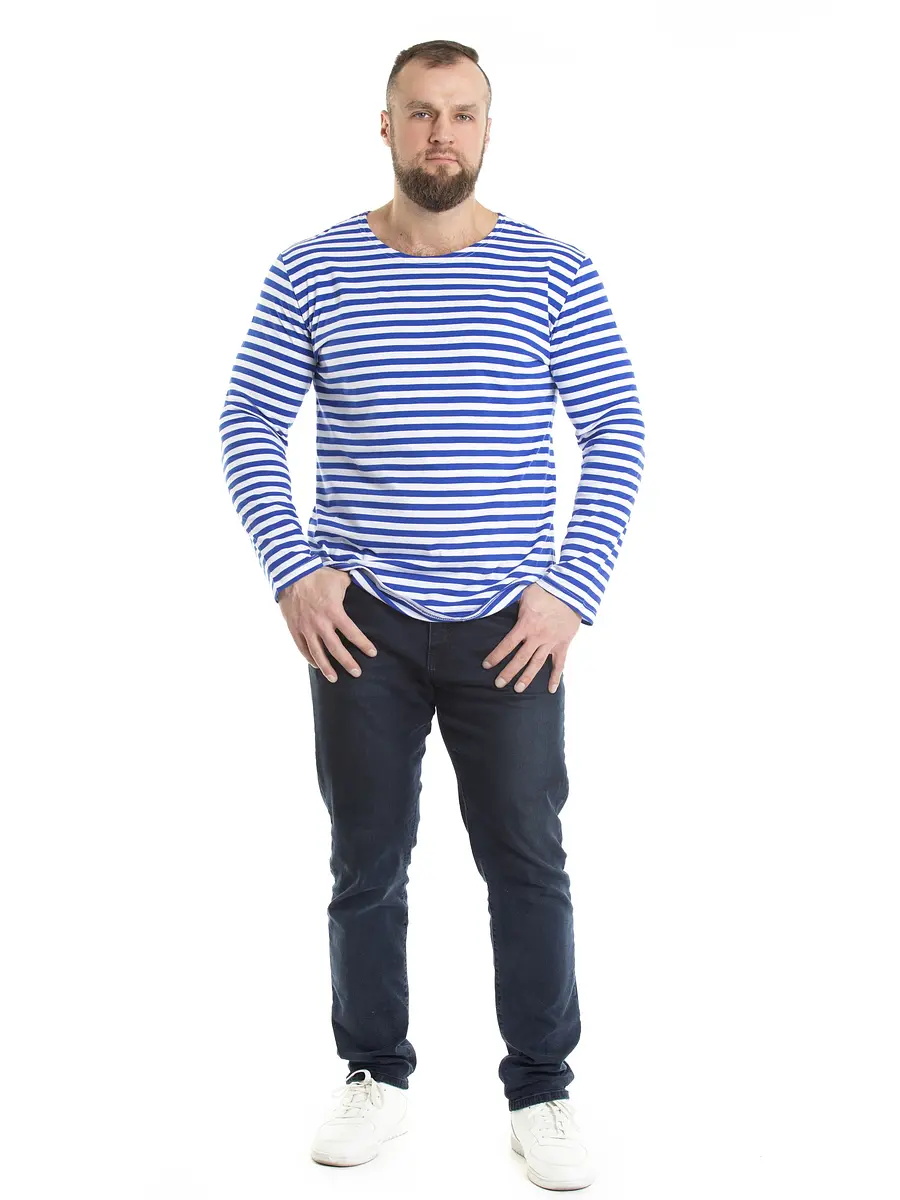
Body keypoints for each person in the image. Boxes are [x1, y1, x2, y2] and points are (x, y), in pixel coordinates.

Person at [219, 38, 645, 1191]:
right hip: (361, 620)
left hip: (511, 624)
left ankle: (542, 1090)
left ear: (488, 129)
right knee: (366, 858)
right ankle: (375, 1073)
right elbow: (249, 419)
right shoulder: (312, 270)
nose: (440, 134)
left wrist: (571, 590)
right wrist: (293, 570)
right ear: (386, 125)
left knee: (527, 859)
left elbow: (616, 427)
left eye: (461, 114)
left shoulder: (554, 272)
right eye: (420, 113)